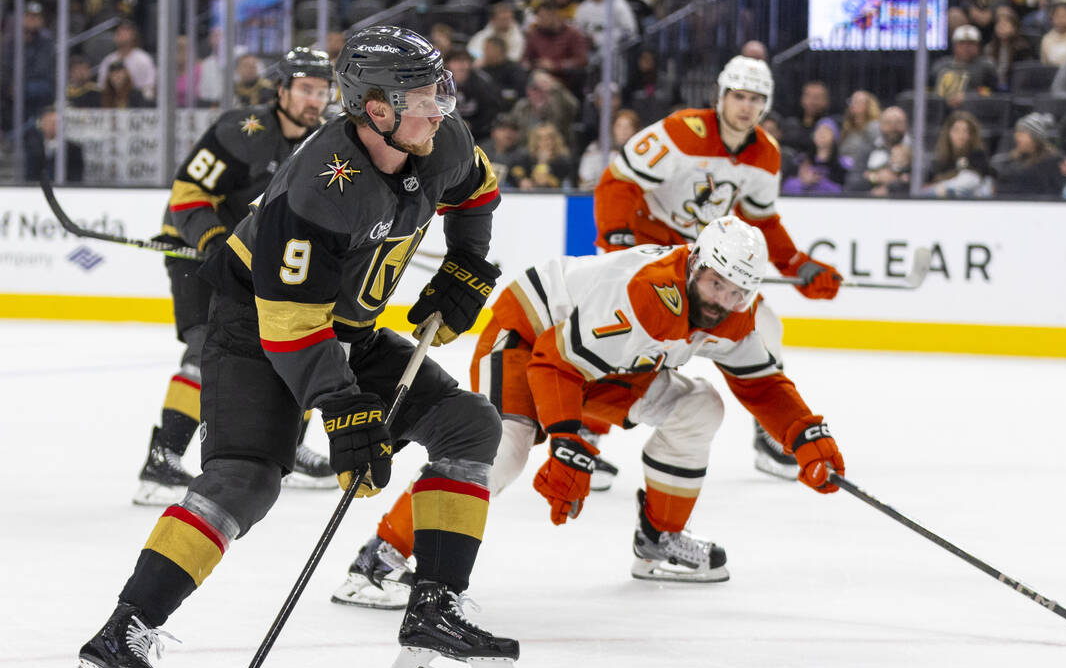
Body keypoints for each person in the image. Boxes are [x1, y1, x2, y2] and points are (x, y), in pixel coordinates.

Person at [58, 26, 518, 668]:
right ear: (375, 109)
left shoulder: (438, 139)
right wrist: (344, 408)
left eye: (439, 90)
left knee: (469, 427)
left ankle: (432, 624)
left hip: (347, 328)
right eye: (422, 96)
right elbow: (292, 330)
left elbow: (478, 189)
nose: (440, 107)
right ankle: (121, 637)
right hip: (255, 332)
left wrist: (468, 264)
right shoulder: (321, 186)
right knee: (244, 480)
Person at [329, 217, 847, 608]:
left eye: (737, 292)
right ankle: (384, 555)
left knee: (700, 406)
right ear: (695, 264)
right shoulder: (646, 293)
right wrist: (569, 444)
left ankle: (659, 539)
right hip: (530, 334)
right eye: (716, 284)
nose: (723, 301)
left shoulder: (733, 312)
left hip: (608, 361)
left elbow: (762, 382)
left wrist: (804, 435)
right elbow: (556, 359)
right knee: (503, 451)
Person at [592, 56, 841, 479]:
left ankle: (769, 434)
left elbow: (761, 220)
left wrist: (798, 264)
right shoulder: (680, 131)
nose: (745, 106)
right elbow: (619, 181)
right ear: (721, 96)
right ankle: (584, 435)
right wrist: (618, 240)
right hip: (649, 250)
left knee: (765, 326)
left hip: (706, 259)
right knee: (628, 344)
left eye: (755, 99)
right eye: (738, 96)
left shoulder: (766, 153)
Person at [132, 48, 339, 507]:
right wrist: (214, 241)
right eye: (306, 89)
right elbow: (188, 195)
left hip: (255, 260)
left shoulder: (325, 142)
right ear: (281, 91)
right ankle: (161, 460)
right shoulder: (242, 130)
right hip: (197, 249)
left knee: (294, 343)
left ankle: (287, 447)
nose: (315, 99)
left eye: (322, 91)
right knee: (207, 346)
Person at [992, 112, 1066, 197]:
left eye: (1022, 133)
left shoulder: (1052, 161)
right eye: (1017, 132)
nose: (1016, 136)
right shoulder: (1015, 159)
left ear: (1035, 138)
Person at [922, 110, 994, 197]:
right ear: (948, 133)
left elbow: (973, 181)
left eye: (965, 131)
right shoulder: (940, 160)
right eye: (956, 130)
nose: (961, 136)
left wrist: (945, 186)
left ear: (971, 135)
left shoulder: (978, 157)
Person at [930, 24, 999, 107]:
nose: (966, 47)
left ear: (978, 46)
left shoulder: (986, 67)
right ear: (954, 45)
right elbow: (929, 90)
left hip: (976, 110)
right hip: (941, 110)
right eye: (962, 43)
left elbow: (992, 92)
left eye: (971, 43)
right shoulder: (941, 65)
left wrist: (969, 97)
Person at [577, 108, 641, 189]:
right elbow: (585, 179)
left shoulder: (641, 152)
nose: (624, 131)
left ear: (635, 130)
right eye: (619, 126)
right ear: (613, 128)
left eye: (628, 126)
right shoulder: (596, 148)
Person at [96, 19, 156, 101]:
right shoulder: (108, 60)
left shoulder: (143, 59)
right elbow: (102, 86)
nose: (121, 34)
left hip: (137, 104)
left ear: (133, 34)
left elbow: (149, 88)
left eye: (125, 31)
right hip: (112, 105)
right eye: (118, 32)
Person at [22, 106, 85, 182]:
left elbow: (76, 177)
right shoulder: (32, 147)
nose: (52, 125)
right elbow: (30, 175)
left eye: (55, 122)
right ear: (42, 123)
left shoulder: (74, 149)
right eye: (48, 122)